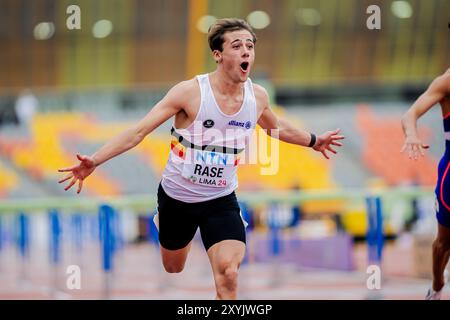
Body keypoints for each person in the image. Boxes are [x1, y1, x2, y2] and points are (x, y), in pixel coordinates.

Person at [58, 18, 344, 300]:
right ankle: (167, 227)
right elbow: (139, 131)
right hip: (177, 198)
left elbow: (276, 127)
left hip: (221, 199)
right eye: (237, 46)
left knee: (229, 275)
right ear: (218, 55)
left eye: (250, 46)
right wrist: (95, 160)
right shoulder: (190, 93)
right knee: (173, 266)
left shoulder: (257, 97)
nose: (246, 51)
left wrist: (315, 141)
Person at [401, 68, 450, 300]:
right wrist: (412, 135)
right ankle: (438, 285)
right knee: (443, 243)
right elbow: (409, 114)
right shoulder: (447, 81)